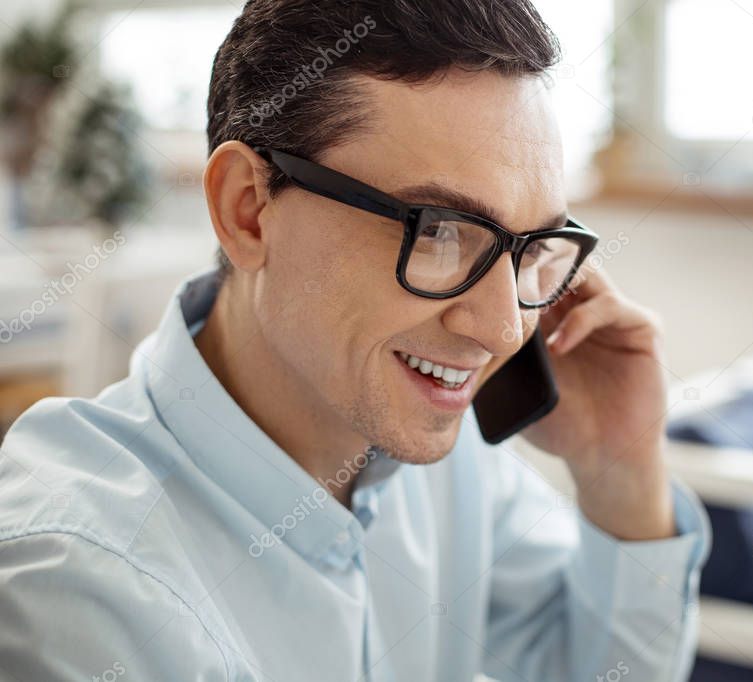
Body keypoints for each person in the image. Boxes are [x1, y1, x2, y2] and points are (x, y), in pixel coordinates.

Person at [0, 1, 709, 680]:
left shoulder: (436, 447)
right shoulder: (82, 585)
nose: (500, 330)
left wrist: (619, 470)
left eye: (529, 249)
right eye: (438, 232)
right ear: (247, 210)